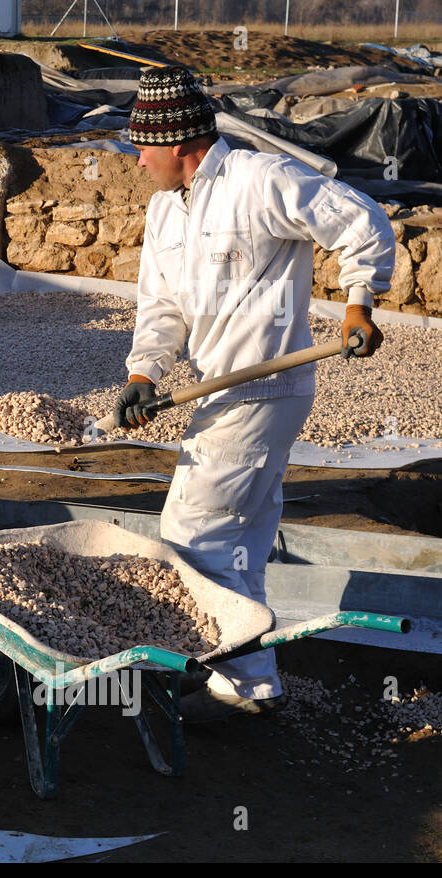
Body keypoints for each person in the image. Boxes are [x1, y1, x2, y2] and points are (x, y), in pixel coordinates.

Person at [115, 67, 394, 721]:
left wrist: (359, 300)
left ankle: (236, 681)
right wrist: (143, 373)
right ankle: (244, 677)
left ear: (180, 142)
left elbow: (361, 220)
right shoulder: (165, 212)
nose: (136, 156)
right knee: (242, 530)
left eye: (142, 144)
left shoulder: (257, 181)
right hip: (216, 389)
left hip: (265, 385)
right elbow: (159, 307)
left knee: (193, 529)